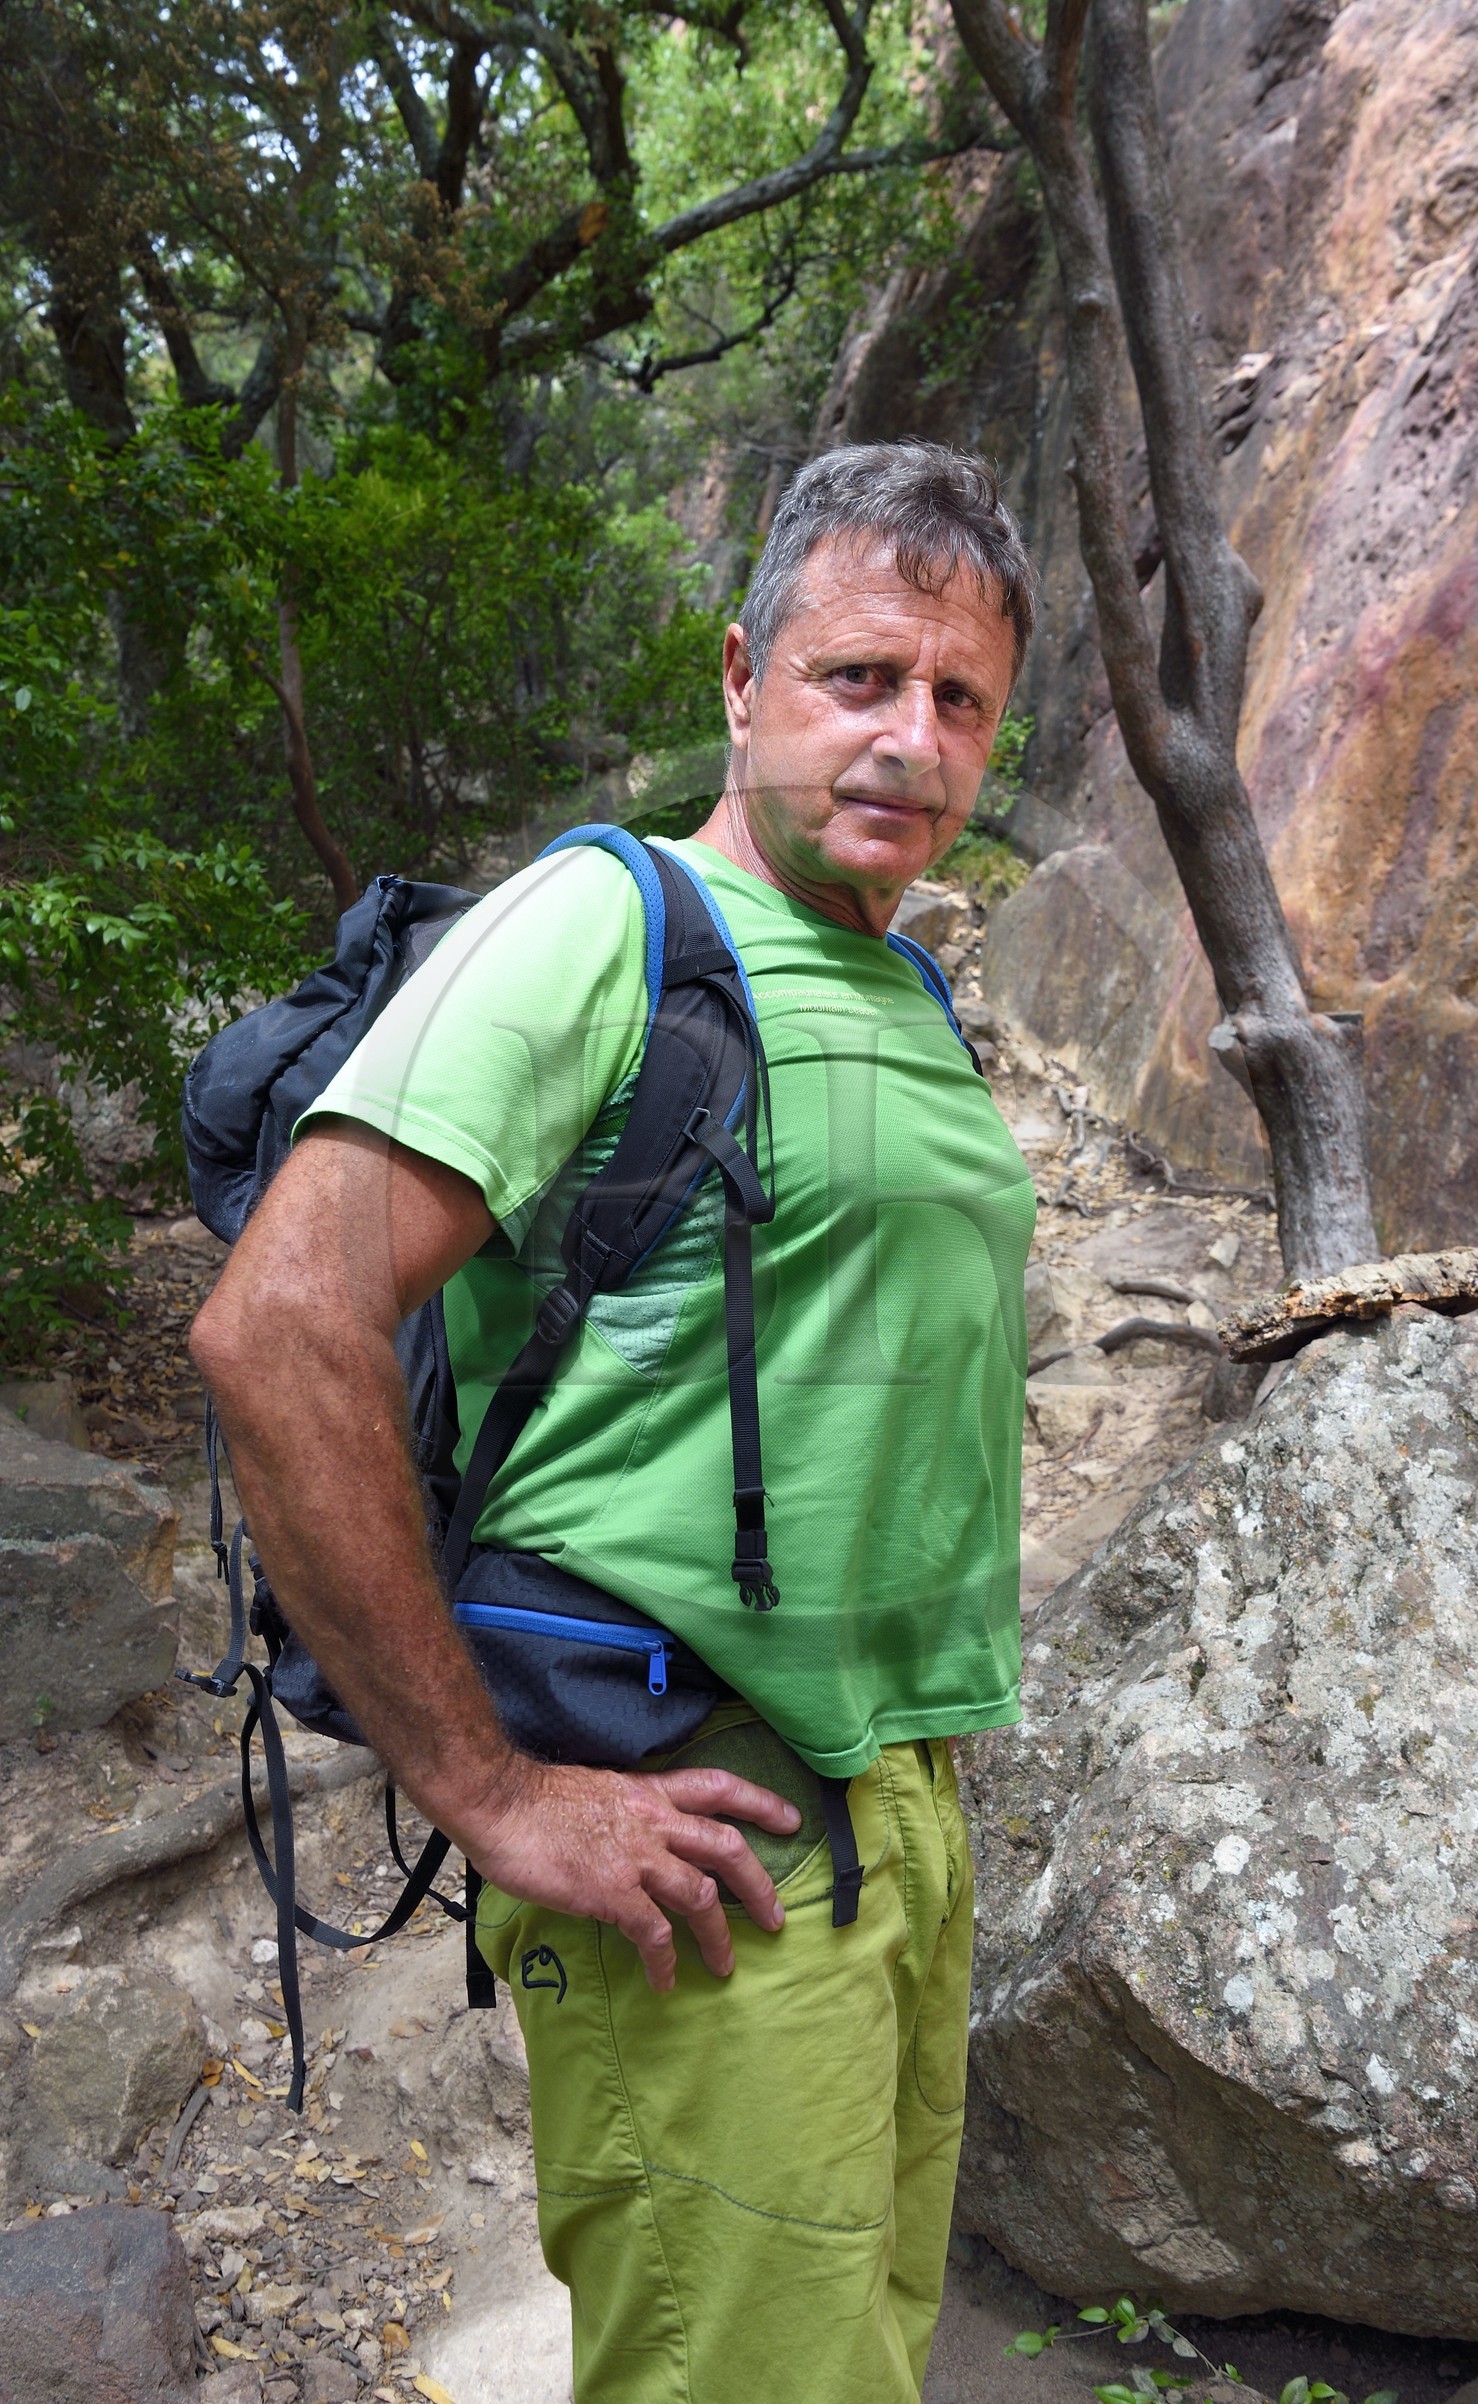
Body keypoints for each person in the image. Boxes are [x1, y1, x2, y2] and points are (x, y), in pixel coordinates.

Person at [191, 440, 1040, 2404]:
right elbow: (278, 1320)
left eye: (957, 697)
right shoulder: (606, 926)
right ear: (738, 678)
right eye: (856, 676)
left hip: (894, 1810)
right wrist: (487, 1792)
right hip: (704, 1821)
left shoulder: (901, 981)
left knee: (857, 2353)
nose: (908, 735)